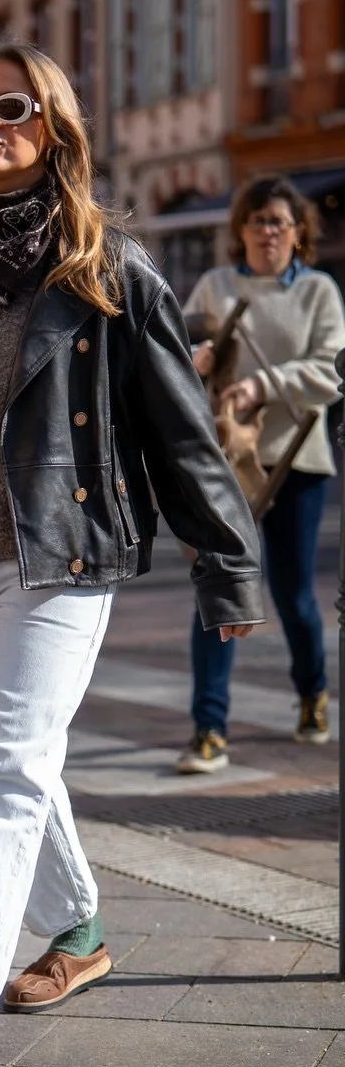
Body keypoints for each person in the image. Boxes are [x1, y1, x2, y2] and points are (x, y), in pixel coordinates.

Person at [0, 41, 261, 1067]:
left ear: (56, 127)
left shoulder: (108, 264)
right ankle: (77, 929)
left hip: (66, 557)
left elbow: (181, 433)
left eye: (13, 106)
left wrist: (229, 568)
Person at [177, 175, 345, 773]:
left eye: (279, 221)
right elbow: (179, 351)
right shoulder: (216, 287)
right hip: (229, 462)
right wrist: (196, 361)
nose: (267, 232)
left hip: (297, 460)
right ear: (239, 231)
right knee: (218, 590)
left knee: (294, 596)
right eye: (256, 221)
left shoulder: (320, 292)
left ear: (299, 232)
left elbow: (331, 372)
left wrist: (263, 384)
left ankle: (311, 692)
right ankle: (208, 729)